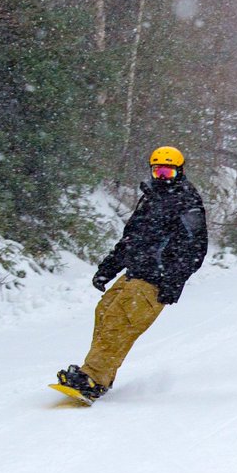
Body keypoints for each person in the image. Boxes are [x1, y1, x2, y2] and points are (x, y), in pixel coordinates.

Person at [55, 146, 208, 401]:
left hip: (156, 279)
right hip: (135, 272)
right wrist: (108, 269)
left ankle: (93, 377)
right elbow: (130, 239)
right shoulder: (150, 198)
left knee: (119, 322)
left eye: (168, 172)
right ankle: (99, 373)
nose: (162, 177)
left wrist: (173, 280)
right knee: (104, 312)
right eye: (158, 171)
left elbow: (195, 249)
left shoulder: (186, 202)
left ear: (179, 172)